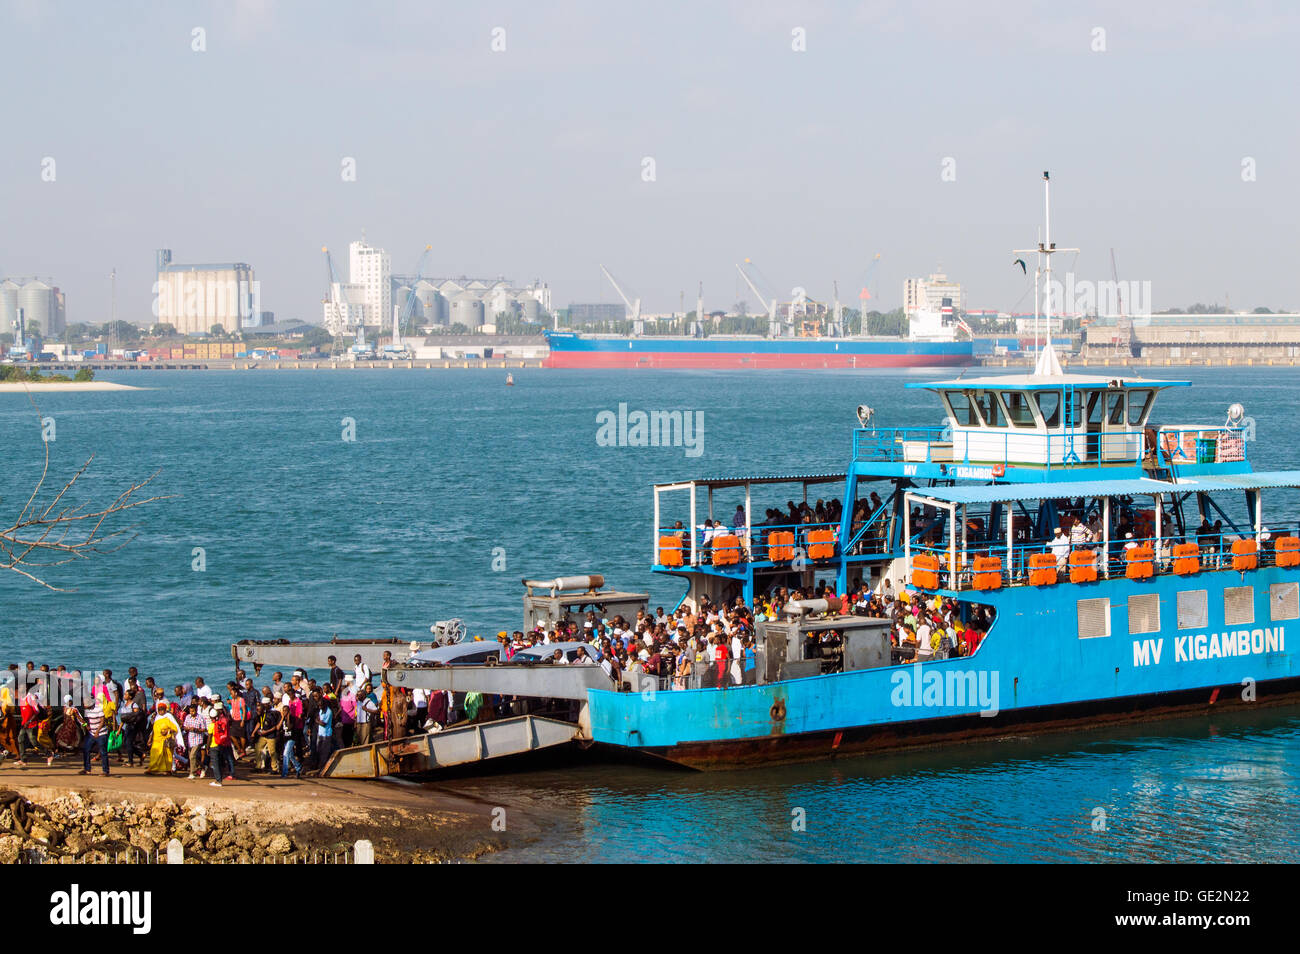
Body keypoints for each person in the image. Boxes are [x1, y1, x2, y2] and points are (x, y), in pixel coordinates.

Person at [147, 701, 181, 775]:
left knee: (166, 756)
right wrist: (150, 739)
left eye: (162, 709)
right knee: (154, 755)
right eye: (159, 710)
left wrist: (167, 731)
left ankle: (167, 770)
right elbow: (153, 730)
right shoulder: (157, 718)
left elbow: (175, 728)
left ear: (165, 710)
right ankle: (153, 769)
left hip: (165, 740)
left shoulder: (168, 717)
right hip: (156, 741)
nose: (161, 711)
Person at [80, 696, 110, 776]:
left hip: (101, 733)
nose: (84, 705)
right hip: (92, 733)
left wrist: (97, 731)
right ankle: (87, 769)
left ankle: (105, 771)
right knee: (86, 749)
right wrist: (87, 726)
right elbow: (86, 721)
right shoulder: (87, 710)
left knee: (103, 752)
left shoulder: (98, 709)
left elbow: (102, 721)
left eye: (85, 703)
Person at [208, 701, 235, 786]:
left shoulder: (212, 725)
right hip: (222, 743)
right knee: (220, 762)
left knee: (216, 763)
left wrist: (207, 747)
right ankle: (220, 779)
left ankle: (218, 780)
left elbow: (209, 737)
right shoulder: (223, 720)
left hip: (214, 744)